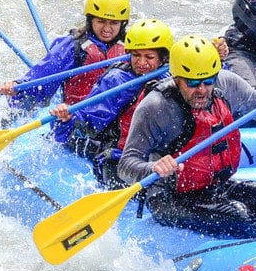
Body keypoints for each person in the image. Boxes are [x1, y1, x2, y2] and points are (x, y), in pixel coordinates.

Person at [118, 34, 256, 238]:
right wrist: (153, 168)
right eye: (192, 83)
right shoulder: (156, 107)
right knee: (239, 217)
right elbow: (126, 165)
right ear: (176, 79)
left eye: (208, 81)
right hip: (170, 197)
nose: (202, 90)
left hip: (214, 187)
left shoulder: (227, 84)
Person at [47, 18, 175, 186]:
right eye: (136, 55)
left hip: (150, 157)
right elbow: (89, 120)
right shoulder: (117, 80)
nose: (141, 62)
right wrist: (68, 117)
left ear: (163, 59)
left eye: (149, 57)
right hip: (115, 154)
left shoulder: (171, 81)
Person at [0, 0, 130, 112]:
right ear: (90, 20)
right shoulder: (74, 46)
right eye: (101, 21)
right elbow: (44, 76)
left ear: (122, 24)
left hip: (116, 120)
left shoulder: (131, 48)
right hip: (78, 118)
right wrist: (18, 86)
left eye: (114, 23)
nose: (107, 28)